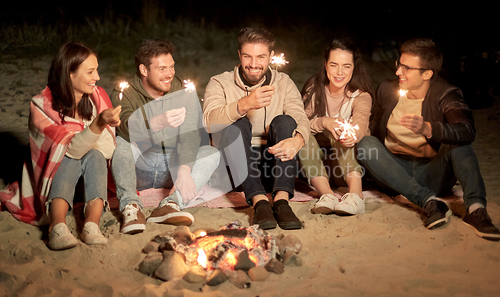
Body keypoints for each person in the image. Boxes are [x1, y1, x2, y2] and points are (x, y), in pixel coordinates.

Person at [357, 38, 500, 240]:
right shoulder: (387, 90)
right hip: (394, 172)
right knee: (365, 144)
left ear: (427, 73)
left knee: (458, 143)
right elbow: (370, 126)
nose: (398, 72)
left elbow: (467, 130)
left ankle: (476, 210)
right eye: (399, 65)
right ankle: (428, 202)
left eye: (407, 68)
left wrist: (428, 128)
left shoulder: (446, 94)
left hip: (433, 173)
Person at [0, 41, 121, 250]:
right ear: (69, 74)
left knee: (94, 155)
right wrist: (99, 124)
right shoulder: (41, 106)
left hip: (90, 184)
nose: (98, 77)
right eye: (91, 71)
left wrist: (96, 129)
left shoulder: (97, 98)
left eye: (97, 70)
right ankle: (57, 225)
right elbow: (69, 150)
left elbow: (108, 148)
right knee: (65, 153)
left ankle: (92, 224)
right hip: (54, 187)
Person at [203, 27, 310, 230]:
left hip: (272, 168)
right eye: (247, 56)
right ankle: (259, 202)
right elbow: (209, 122)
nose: (253, 64)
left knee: (285, 122)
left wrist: (298, 140)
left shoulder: (284, 82)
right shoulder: (219, 82)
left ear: (270, 56)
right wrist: (243, 104)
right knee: (238, 122)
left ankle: (281, 201)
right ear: (239, 55)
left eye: (261, 57)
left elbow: (301, 118)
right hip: (235, 171)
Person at [110, 39, 220, 234]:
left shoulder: (185, 93)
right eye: (162, 69)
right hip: (139, 168)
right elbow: (124, 130)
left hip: (173, 168)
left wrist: (185, 170)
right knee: (120, 144)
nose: (170, 73)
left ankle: (171, 203)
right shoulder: (125, 92)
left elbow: (191, 136)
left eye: (172, 67)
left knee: (211, 153)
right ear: (144, 70)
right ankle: (131, 207)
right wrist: (157, 122)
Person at [299, 38, 372, 215]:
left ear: (354, 67)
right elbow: (300, 123)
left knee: (341, 127)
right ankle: (327, 196)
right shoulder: (315, 88)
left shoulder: (361, 96)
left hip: (348, 169)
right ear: (325, 65)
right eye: (334, 65)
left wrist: (349, 133)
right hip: (316, 170)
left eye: (346, 66)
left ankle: (356, 196)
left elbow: (361, 123)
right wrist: (324, 121)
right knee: (302, 134)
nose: (339, 72)